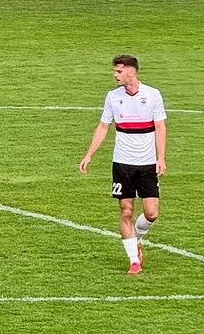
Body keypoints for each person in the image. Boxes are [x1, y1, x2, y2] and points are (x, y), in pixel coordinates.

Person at [79, 54, 167, 275]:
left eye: (119, 71)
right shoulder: (112, 97)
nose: (115, 75)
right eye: (115, 71)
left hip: (147, 164)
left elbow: (160, 126)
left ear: (131, 71)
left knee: (152, 213)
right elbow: (103, 126)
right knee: (126, 210)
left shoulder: (152, 94)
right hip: (122, 164)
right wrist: (89, 154)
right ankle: (133, 261)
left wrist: (161, 157)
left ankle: (137, 237)